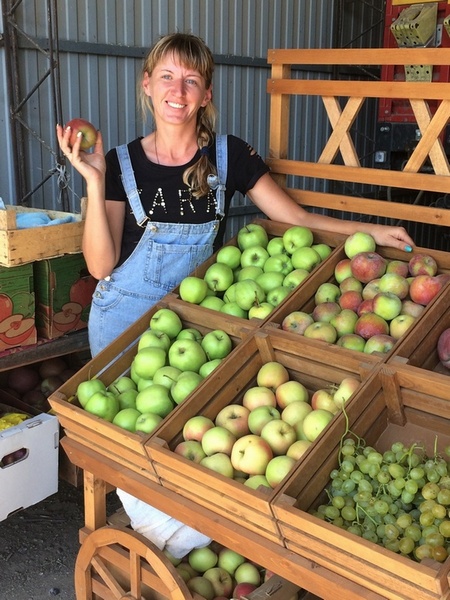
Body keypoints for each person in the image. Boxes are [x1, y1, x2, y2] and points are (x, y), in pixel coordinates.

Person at [57, 32, 415, 556]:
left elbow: (291, 217)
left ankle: (179, 544)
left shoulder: (229, 156)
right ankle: (164, 542)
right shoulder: (119, 164)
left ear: (205, 95)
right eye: (167, 77)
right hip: (123, 320)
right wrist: (91, 181)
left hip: (202, 323)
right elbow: (101, 265)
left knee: (186, 445)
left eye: (191, 80)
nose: (178, 91)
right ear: (147, 87)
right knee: (132, 445)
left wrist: (371, 231)